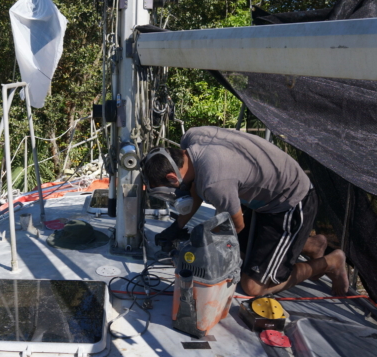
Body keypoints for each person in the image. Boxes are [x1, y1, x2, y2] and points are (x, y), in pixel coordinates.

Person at [142, 126, 349, 296]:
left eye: (169, 189)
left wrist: (204, 250)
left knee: (253, 285)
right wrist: (178, 226)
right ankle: (312, 245)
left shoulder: (214, 182)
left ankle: (331, 262)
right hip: (265, 198)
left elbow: (236, 226)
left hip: (291, 202)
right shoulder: (192, 139)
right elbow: (194, 185)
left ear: (172, 177)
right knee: (243, 256)